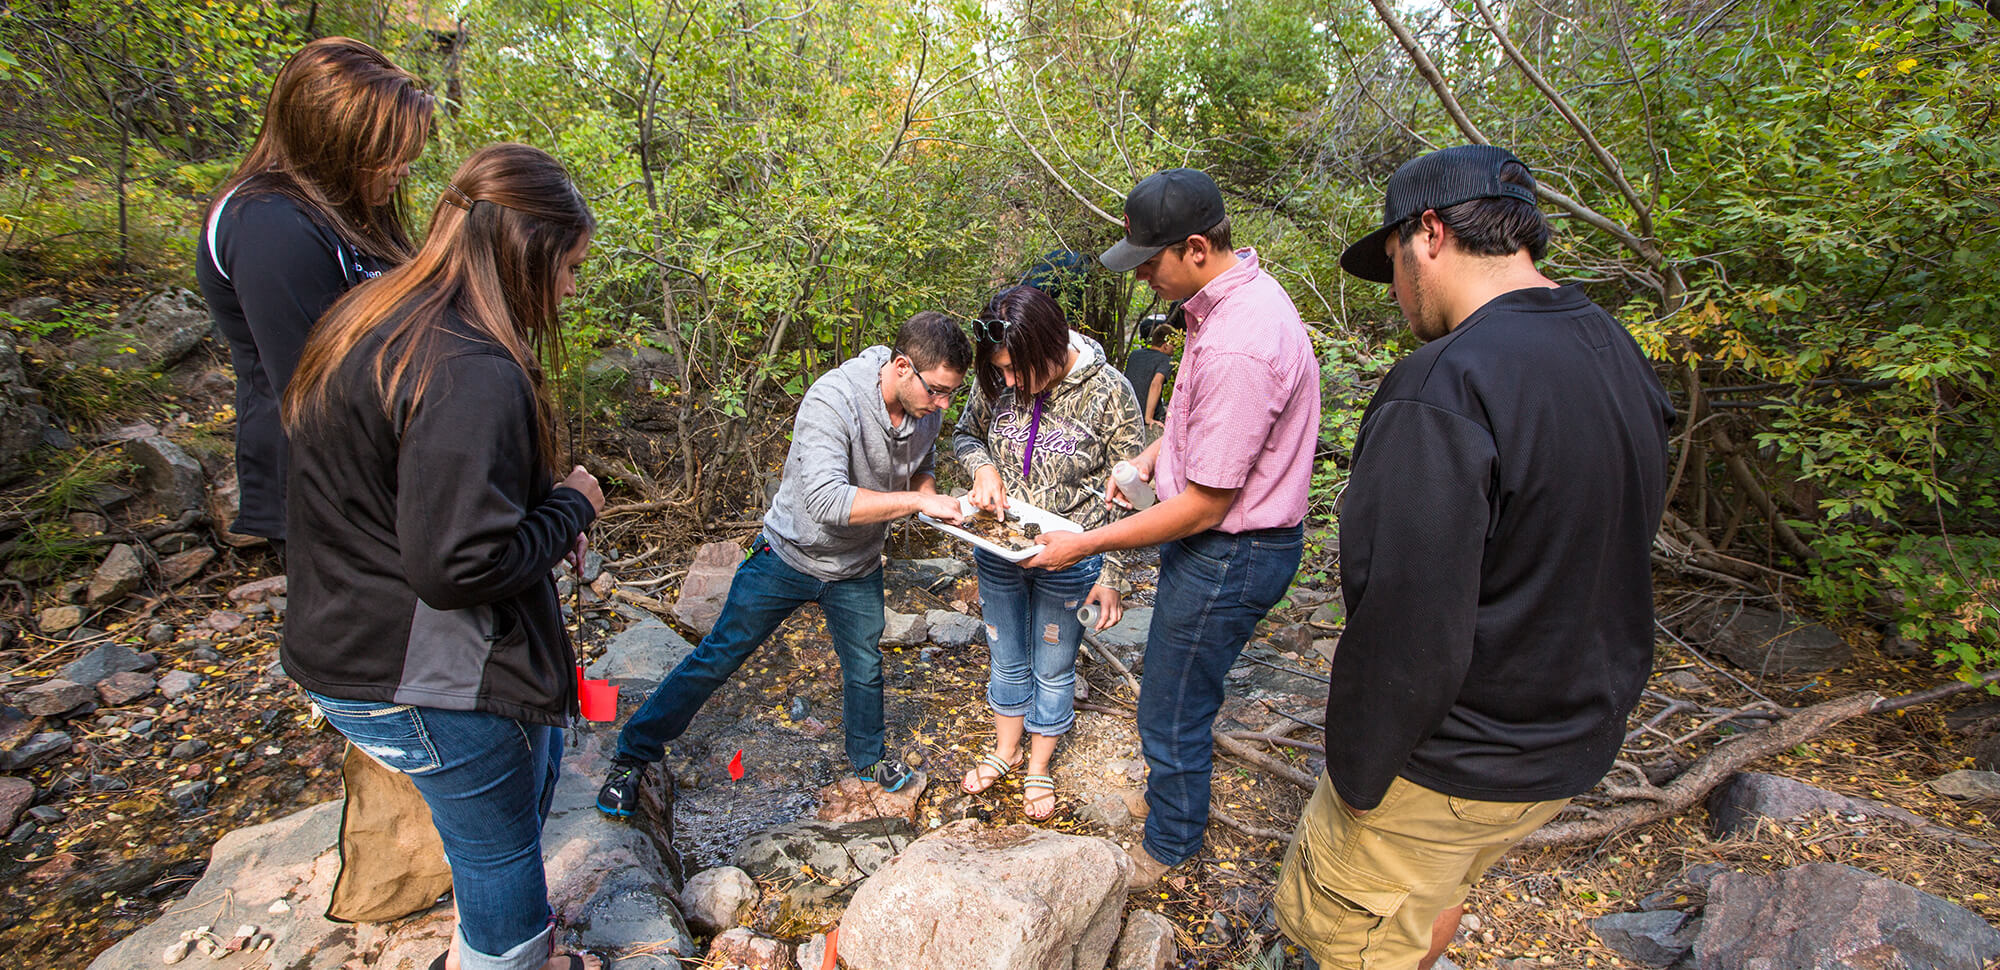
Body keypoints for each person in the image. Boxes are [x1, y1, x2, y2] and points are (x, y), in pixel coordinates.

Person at [1272, 145, 1673, 969]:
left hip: (1448, 761)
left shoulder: (1444, 385)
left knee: (1344, 939)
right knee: (1435, 898)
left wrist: (1356, 778)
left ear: (1428, 233)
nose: (1396, 294)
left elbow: (1407, 615)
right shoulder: (1614, 350)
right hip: (1566, 749)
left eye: (1390, 264)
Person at [280, 143, 603, 970]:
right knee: (499, 855)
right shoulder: (471, 370)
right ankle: (513, 956)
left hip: (342, 635)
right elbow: (458, 567)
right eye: (569, 268)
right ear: (527, 258)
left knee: (503, 810)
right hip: (421, 668)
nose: (572, 289)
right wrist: (573, 504)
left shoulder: (373, 315)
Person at [1028, 168, 1320, 888]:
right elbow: (1213, 429)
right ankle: (1174, 804)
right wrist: (1152, 454)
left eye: (1150, 263)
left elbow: (1205, 505)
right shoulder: (1228, 304)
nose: (1144, 279)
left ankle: (1168, 847)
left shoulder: (1237, 343)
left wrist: (1085, 542)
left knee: (1169, 701)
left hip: (1231, 549)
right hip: (1228, 542)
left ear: (1195, 247)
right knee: (1180, 688)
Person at [597, 314, 973, 816]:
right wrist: (916, 503)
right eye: (938, 391)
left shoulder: (926, 406)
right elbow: (826, 500)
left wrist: (930, 493)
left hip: (856, 567)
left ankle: (867, 759)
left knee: (865, 669)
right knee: (718, 657)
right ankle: (632, 755)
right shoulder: (832, 399)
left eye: (951, 394)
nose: (943, 404)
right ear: (902, 367)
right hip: (788, 555)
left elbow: (922, 464)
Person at [197, 37, 434, 556]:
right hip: (329, 496)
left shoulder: (351, 214)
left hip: (383, 481)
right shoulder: (266, 223)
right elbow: (321, 389)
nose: (402, 168)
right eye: (386, 153)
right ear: (333, 138)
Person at [951, 285, 1148, 819]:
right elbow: (965, 435)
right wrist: (983, 467)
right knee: (1006, 657)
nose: (1010, 383)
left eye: (1019, 370)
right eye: (1002, 373)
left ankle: (1038, 766)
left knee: (1055, 666)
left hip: (1075, 557)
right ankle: (1005, 751)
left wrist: (1111, 573)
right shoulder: (997, 380)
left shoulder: (1110, 392)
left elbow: (1135, 494)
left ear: (1052, 346)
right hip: (999, 548)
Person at [1120, 313, 1177, 432]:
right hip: (1145, 414)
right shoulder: (1165, 360)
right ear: (1165, 346)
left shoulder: (1134, 355)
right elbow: (1156, 384)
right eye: (1173, 346)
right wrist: (1148, 418)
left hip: (1126, 411)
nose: (1175, 349)